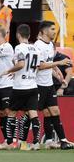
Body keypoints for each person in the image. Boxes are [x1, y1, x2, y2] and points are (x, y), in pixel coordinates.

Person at [1, 24, 41, 150]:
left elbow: (21, 64)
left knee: (11, 113)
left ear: (18, 35)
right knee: (33, 114)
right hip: (33, 86)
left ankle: (9, 142)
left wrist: (9, 71)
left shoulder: (19, 48)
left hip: (20, 87)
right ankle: (35, 142)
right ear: (29, 36)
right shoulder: (35, 49)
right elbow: (37, 67)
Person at [34, 21, 74, 150]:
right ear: (44, 31)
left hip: (49, 84)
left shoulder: (50, 45)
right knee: (34, 112)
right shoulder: (38, 46)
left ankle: (60, 141)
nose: (54, 31)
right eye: (52, 29)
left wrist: (57, 73)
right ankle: (20, 140)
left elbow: (49, 63)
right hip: (37, 84)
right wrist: (60, 62)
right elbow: (40, 66)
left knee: (54, 111)